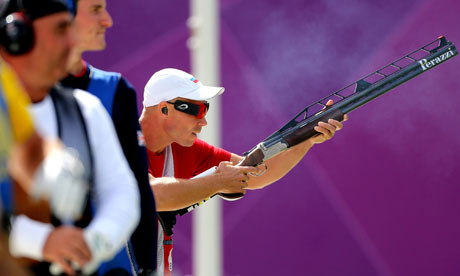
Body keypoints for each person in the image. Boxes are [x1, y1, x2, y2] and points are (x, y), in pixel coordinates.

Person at [139, 68, 347, 275]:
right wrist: (217, 182)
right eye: (196, 110)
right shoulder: (118, 140)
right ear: (164, 109)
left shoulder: (185, 148)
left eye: (206, 109)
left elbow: (256, 174)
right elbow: (153, 195)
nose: (203, 121)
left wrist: (308, 138)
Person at [0, 0, 140, 275]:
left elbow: (122, 192)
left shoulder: (84, 108)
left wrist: (93, 243)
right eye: (62, 28)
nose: (73, 40)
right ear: (18, 36)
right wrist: (42, 241)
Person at [61, 0, 158, 274]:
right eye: (95, 10)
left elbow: (138, 188)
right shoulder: (15, 92)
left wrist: (147, 269)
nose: (107, 21)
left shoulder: (115, 90)